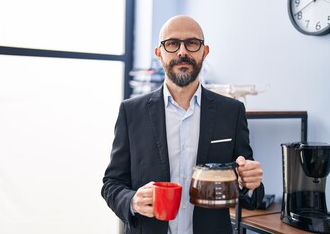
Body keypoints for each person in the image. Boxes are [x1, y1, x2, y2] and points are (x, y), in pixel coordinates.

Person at [101, 15, 264, 234]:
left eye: (192, 43)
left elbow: (247, 185)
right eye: (172, 43)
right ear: (159, 54)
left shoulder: (232, 111)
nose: (182, 52)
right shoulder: (131, 112)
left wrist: (250, 183)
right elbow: (112, 183)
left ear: (204, 52)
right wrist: (132, 201)